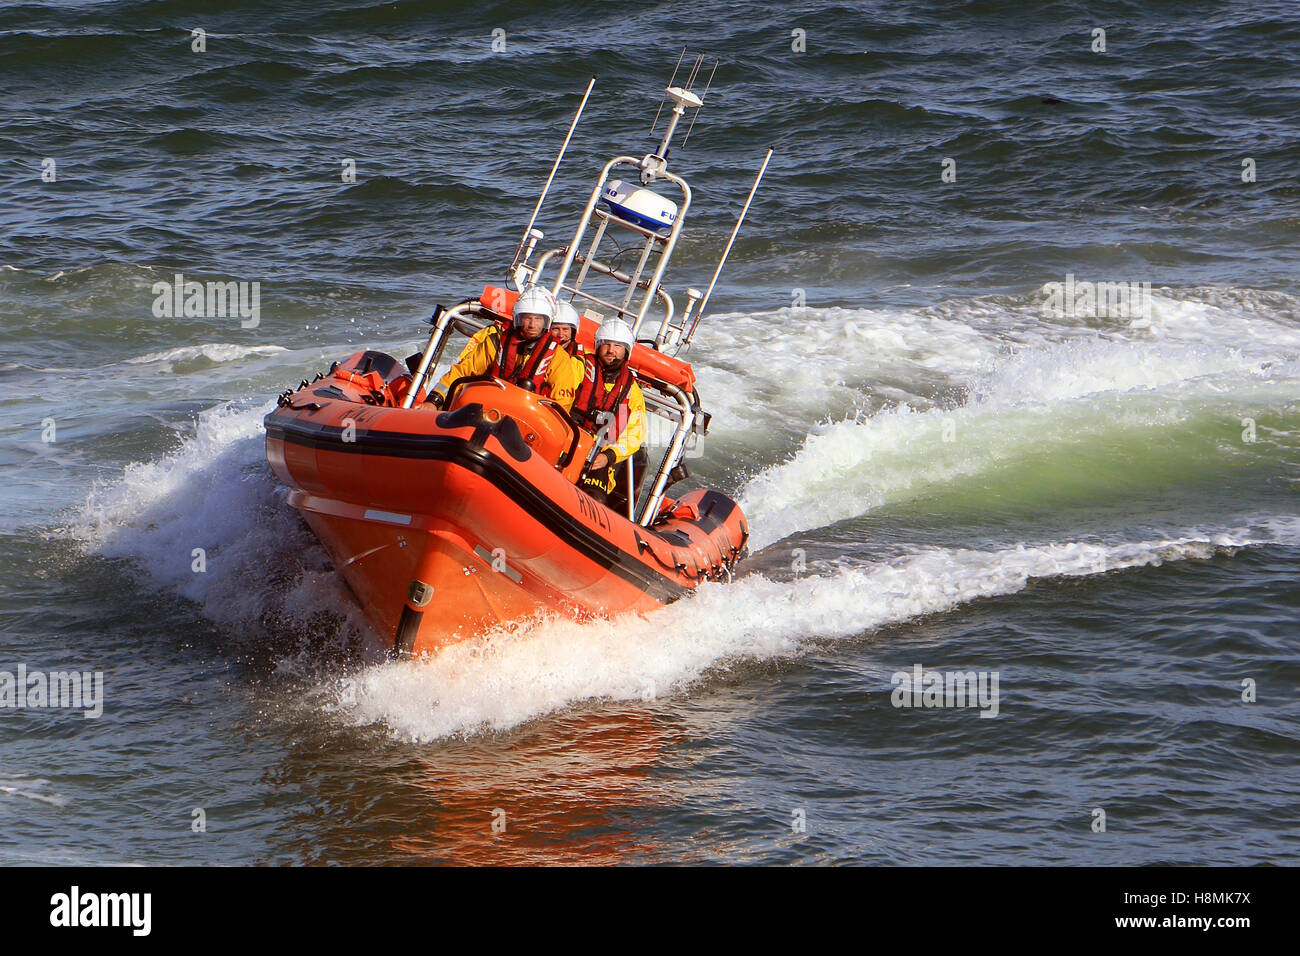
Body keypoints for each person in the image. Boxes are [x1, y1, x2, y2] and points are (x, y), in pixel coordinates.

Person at [429, 285, 581, 411]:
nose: (532, 325)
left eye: (538, 319)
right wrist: (434, 400)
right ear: (517, 319)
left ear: (547, 322)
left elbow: (562, 403)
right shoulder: (494, 343)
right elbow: (462, 372)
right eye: (527, 318)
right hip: (488, 409)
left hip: (528, 419)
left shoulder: (558, 357)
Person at [571, 318, 646, 505]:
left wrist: (608, 456)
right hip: (568, 439)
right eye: (606, 344)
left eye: (618, 346)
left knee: (594, 498)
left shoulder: (632, 391)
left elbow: (634, 434)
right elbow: (559, 397)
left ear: (626, 350)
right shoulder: (578, 367)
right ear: (598, 346)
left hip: (600, 457)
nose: (611, 350)